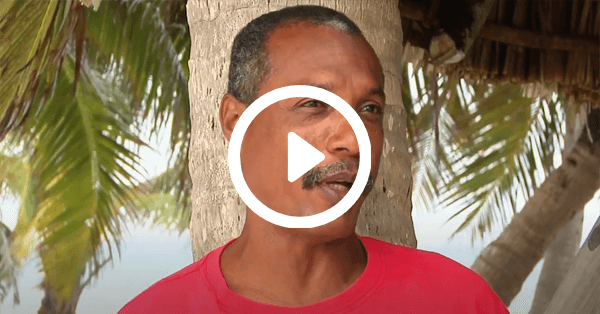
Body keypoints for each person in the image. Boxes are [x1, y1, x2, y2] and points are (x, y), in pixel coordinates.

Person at [119, 5, 509, 313]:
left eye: (370, 109)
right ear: (237, 122)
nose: (352, 142)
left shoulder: (456, 302)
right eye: (313, 104)